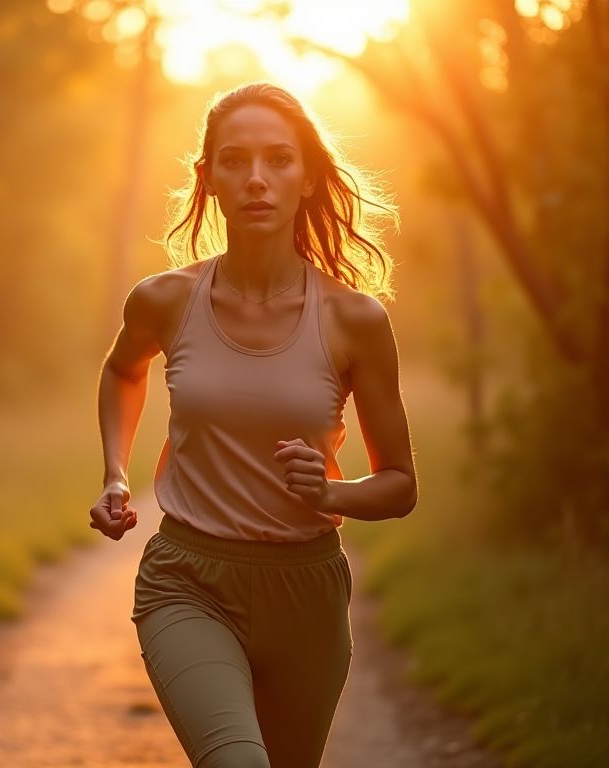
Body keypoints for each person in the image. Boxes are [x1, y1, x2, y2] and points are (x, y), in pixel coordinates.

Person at [88, 81, 418, 768]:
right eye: (234, 162)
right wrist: (117, 474)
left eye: (278, 160)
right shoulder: (164, 300)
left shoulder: (354, 321)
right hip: (188, 578)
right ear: (208, 180)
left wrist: (330, 493)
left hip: (306, 592)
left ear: (307, 177)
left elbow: (399, 486)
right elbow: (123, 371)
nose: (257, 180)